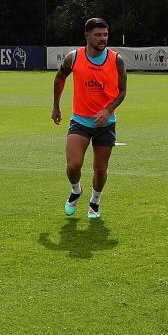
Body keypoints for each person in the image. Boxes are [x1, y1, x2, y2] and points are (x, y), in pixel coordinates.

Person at [52, 18, 128, 219]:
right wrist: (56, 106)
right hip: (80, 121)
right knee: (73, 165)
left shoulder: (116, 60)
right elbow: (60, 78)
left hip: (106, 124)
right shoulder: (74, 57)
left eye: (105, 34)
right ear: (87, 36)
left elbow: (122, 92)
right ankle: (76, 190)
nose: (103, 39)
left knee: (100, 169)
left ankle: (95, 202)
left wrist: (108, 109)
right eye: (98, 35)